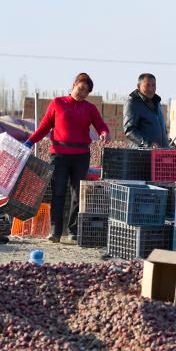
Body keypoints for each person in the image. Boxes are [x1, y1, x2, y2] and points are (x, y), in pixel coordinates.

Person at [25, 73, 110, 243]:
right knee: (58, 192)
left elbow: (101, 125)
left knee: (78, 194)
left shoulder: (89, 108)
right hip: (59, 155)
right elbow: (44, 127)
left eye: (86, 91)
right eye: (80, 88)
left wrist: (104, 133)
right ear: (74, 85)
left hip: (81, 156)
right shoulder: (58, 103)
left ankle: (73, 230)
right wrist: (30, 141)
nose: (82, 93)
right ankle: (55, 231)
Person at [123, 73, 168, 148]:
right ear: (138, 86)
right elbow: (129, 130)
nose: (151, 89)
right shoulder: (133, 103)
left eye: (153, 85)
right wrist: (148, 144)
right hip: (142, 154)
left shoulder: (157, 103)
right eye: (147, 85)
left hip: (160, 154)